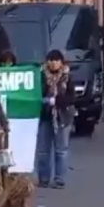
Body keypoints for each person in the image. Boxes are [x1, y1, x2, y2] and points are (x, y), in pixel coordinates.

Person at [36, 49, 75, 189]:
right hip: (45, 116)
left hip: (63, 117)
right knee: (43, 150)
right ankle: (43, 179)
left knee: (61, 150)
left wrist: (56, 101)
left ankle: (59, 179)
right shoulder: (40, 75)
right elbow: (36, 93)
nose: (53, 63)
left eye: (56, 60)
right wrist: (45, 101)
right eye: (51, 60)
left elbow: (71, 98)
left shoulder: (67, 76)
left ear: (61, 62)